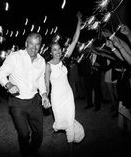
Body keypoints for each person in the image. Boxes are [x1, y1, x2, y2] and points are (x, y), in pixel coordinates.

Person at [0, 33, 51, 157]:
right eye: (31, 43)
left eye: (37, 45)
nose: (34, 47)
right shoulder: (15, 57)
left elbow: (41, 80)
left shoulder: (41, 60)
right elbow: (0, 74)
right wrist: (9, 85)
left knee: (39, 133)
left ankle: (33, 150)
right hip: (17, 102)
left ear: (40, 46)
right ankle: (25, 153)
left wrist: (44, 95)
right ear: (26, 43)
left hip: (34, 101)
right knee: (24, 133)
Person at [45, 12, 84, 145]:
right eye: (54, 50)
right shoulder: (48, 65)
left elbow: (74, 40)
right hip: (56, 97)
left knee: (70, 121)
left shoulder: (64, 60)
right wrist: (46, 97)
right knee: (61, 121)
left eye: (59, 49)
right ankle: (57, 130)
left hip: (68, 95)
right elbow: (46, 85)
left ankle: (71, 145)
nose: (58, 51)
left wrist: (79, 21)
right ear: (51, 52)